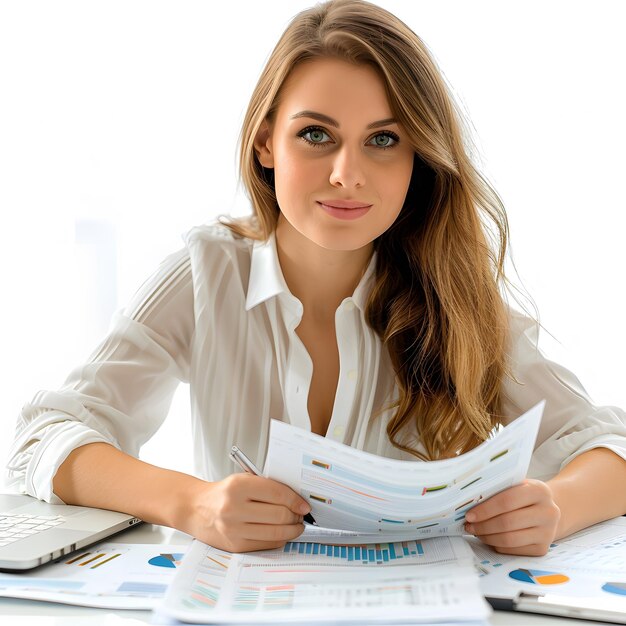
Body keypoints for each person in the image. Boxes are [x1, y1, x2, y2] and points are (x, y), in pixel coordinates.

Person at [6, 0, 626, 557]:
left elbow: (610, 446)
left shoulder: (456, 297)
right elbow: (44, 439)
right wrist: (193, 505)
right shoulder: (206, 273)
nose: (346, 174)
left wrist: (557, 507)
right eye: (316, 135)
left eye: (383, 139)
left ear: (419, 159)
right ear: (265, 143)